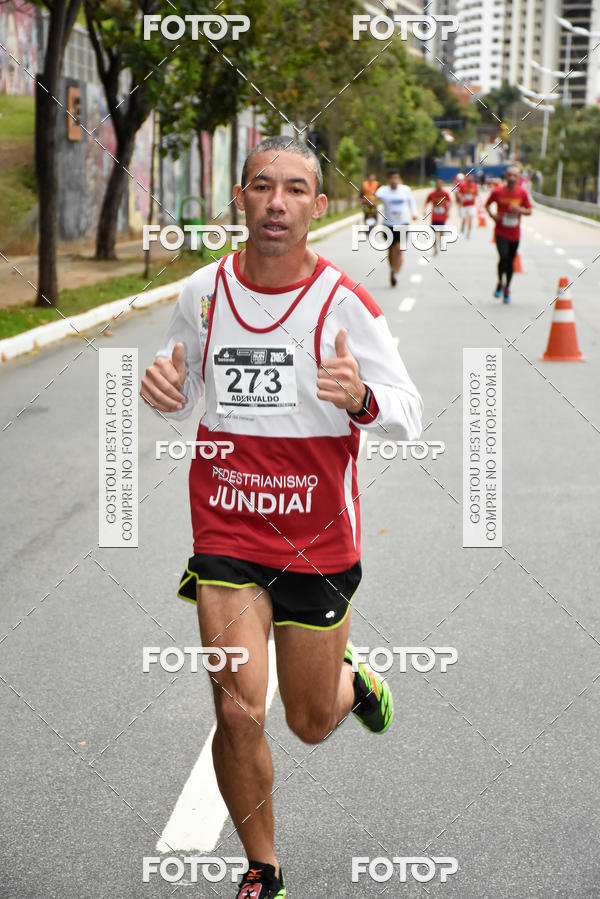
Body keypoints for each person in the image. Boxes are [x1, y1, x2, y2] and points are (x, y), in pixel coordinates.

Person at [140, 136, 423, 899]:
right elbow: (180, 380)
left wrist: (361, 398)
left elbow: (408, 412)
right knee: (236, 714)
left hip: (317, 541)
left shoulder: (344, 305)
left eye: (295, 189)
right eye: (262, 186)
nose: (276, 202)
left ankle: (350, 681)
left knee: (306, 719)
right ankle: (262, 867)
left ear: (318, 207)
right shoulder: (201, 293)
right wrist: (162, 390)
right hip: (227, 532)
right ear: (241, 197)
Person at [485, 165, 532, 303]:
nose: (512, 178)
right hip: (500, 231)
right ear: (505, 176)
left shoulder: (522, 193)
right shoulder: (498, 191)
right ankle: (500, 281)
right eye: (509, 175)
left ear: (518, 178)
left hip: (515, 233)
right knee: (503, 257)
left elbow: (529, 211)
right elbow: (487, 205)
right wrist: (493, 216)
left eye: (515, 176)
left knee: (510, 261)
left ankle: (507, 287)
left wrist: (519, 210)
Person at [375, 170, 418, 285]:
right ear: (388, 180)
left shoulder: (405, 190)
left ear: (399, 180)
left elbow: (411, 202)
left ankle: (396, 274)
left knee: (399, 249)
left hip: (403, 223)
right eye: (391, 178)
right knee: (390, 249)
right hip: (388, 224)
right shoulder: (383, 191)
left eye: (396, 178)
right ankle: (392, 269)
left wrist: (414, 213)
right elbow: (373, 197)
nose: (394, 181)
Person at [424, 177, 451, 255]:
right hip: (434, 217)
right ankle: (435, 248)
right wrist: (424, 210)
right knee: (434, 233)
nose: (439, 184)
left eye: (440, 183)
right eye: (438, 183)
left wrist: (448, 211)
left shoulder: (445, 194)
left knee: (441, 233)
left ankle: (439, 242)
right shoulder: (432, 194)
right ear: (435, 184)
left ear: (442, 184)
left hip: (442, 217)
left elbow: (450, 202)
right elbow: (426, 202)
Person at [457, 172, 478, 238]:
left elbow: (476, 194)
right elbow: (458, 193)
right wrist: (461, 198)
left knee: (470, 218)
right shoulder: (462, 185)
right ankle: (462, 227)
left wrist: (473, 197)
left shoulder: (475, 185)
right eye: (469, 177)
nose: (470, 178)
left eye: (472, 177)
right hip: (464, 205)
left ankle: (468, 232)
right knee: (464, 219)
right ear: (467, 178)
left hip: (471, 205)